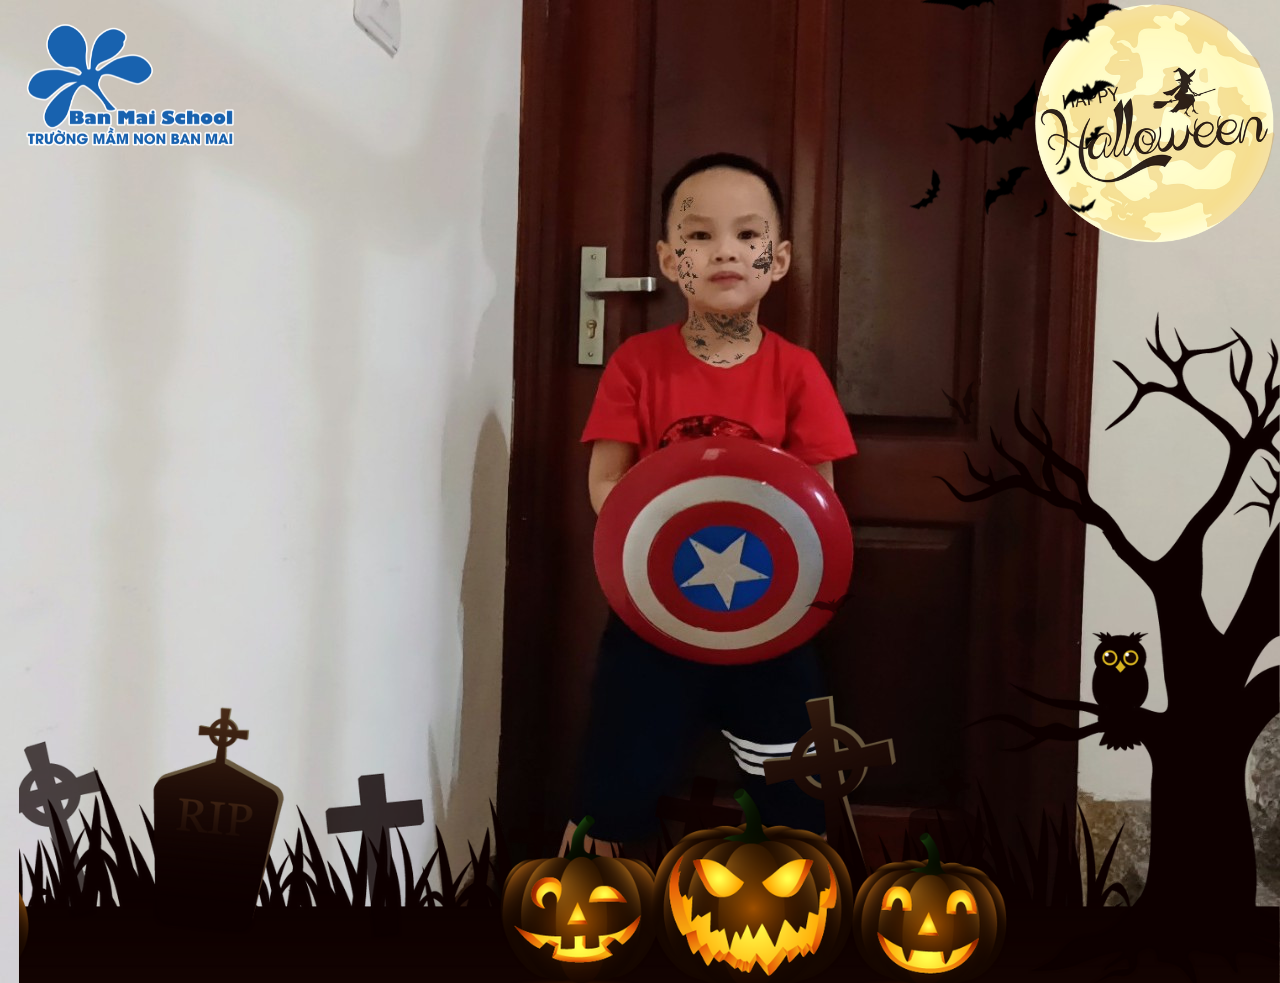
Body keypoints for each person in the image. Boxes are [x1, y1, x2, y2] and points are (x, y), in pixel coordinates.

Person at [562, 152, 857, 858]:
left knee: (793, 773)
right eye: (699, 235)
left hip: (773, 620)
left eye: (748, 234)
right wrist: (659, 538)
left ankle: (795, 890)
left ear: (778, 259)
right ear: (670, 259)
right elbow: (607, 484)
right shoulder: (636, 363)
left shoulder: (798, 371)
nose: (725, 249)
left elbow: (819, 505)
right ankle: (589, 890)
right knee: (618, 765)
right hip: (653, 613)